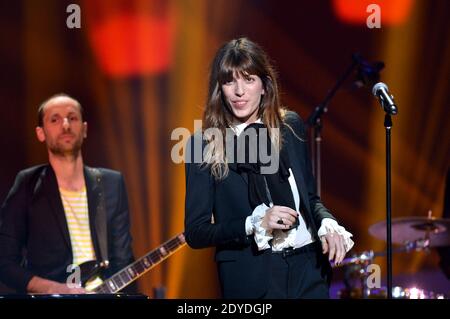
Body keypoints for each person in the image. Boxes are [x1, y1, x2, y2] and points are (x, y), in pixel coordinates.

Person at [184, 37, 354, 299]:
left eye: (249, 79)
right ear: (220, 88)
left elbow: (309, 197)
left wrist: (327, 223)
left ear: (265, 85)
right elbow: (196, 232)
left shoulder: (290, 126)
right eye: (230, 81)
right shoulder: (202, 144)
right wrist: (253, 224)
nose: (240, 91)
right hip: (251, 279)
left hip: (308, 269)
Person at [0, 94, 134, 294]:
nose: (65, 125)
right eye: (55, 119)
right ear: (40, 133)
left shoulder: (111, 183)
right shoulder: (27, 184)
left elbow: (123, 259)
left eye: (72, 118)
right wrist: (56, 289)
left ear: (85, 128)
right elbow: (4, 262)